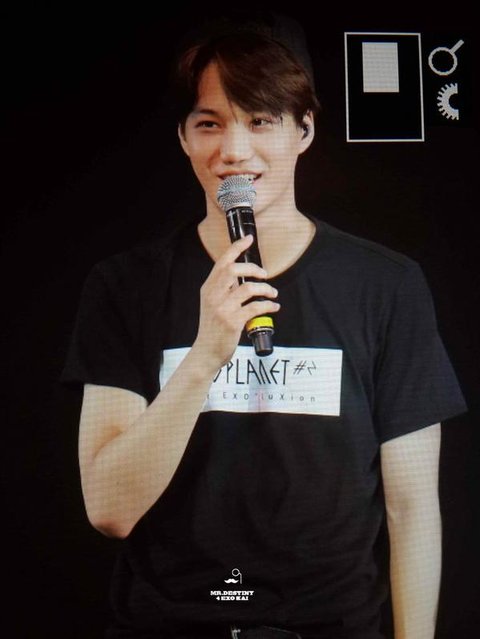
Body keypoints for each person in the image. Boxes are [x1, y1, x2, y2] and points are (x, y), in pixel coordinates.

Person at [61, 12, 467, 639]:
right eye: (209, 123)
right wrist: (205, 355)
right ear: (183, 138)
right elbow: (110, 508)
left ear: (304, 130)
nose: (234, 151)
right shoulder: (126, 286)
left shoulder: (386, 285)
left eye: (261, 120)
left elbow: (411, 507)